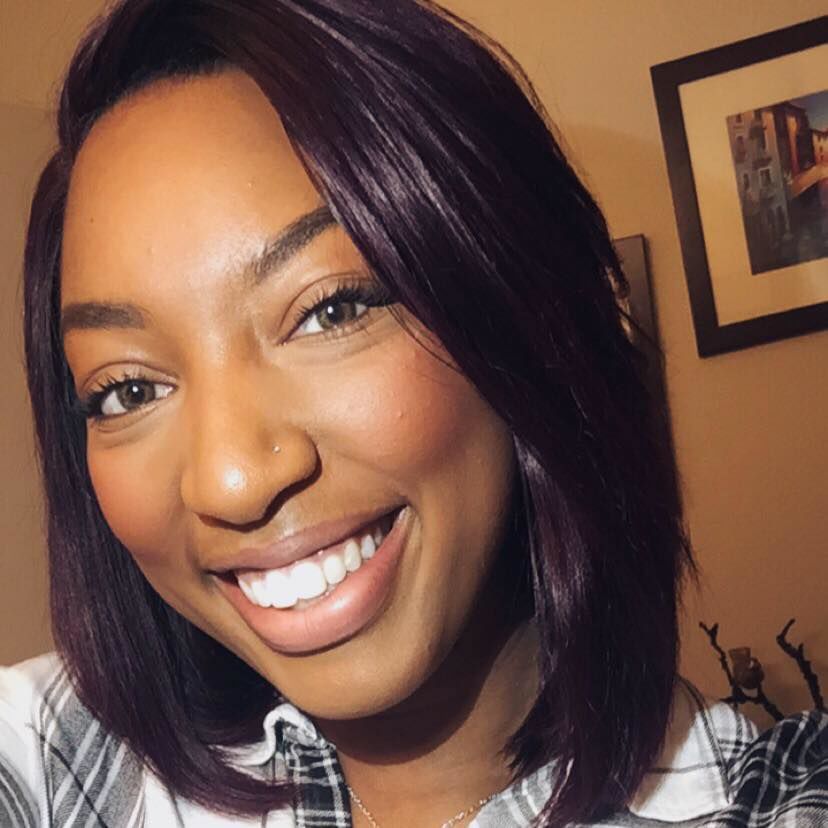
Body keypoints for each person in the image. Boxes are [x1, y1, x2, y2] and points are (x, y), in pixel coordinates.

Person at [2, 1, 826, 825]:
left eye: (331, 310)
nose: (231, 480)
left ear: (520, 313)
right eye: (128, 389)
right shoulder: (56, 761)